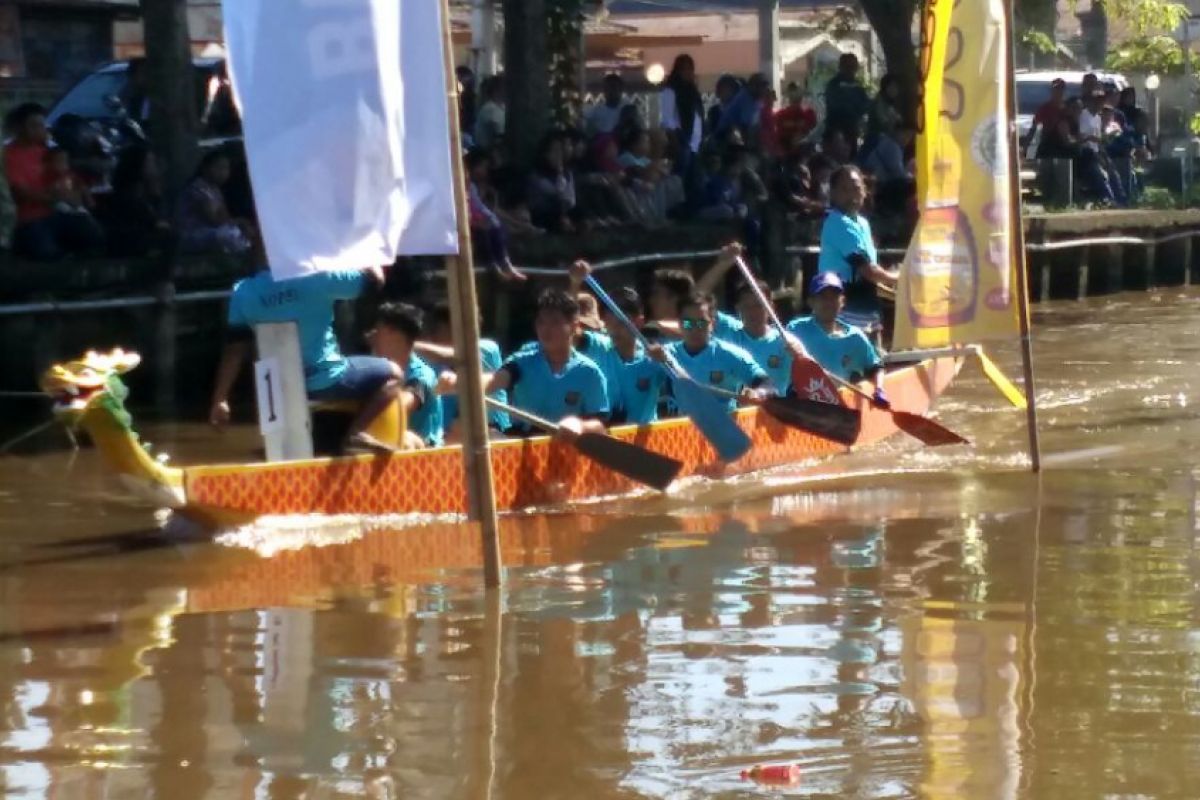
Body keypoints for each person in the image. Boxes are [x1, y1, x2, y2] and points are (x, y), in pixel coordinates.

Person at [208, 256, 402, 453]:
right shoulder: (318, 277)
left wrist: (220, 399)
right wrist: (359, 253)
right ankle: (356, 433)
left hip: (275, 388)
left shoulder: (243, 292)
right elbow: (374, 281)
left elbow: (234, 350)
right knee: (394, 374)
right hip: (323, 380)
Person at [486, 289, 610, 437]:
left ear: (574, 326)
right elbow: (495, 380)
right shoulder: (521, 362)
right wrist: (459, 384)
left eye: (555, 322)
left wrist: (580, 425)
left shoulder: (589, 372)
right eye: (541, 322)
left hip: (566, 450)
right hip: (525, 447)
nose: (546, 329)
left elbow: (600, 425)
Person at [567, 262, 667, 425]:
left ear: (639, 322)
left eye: (621, 322)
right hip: (606, 441)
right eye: (609, 319)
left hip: (643, 442)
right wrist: (575, 283)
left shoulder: (654, 357)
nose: (614, 328)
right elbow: (567, 328)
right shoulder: (598, 346)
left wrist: (667, 361)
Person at [5, 103, 104, 260]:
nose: (40, 130)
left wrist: (74, 195)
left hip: (56, 213)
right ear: (20, 128)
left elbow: (67, 177)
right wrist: (56, 197)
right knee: (45, 252)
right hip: (30, 219)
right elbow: (20, 192)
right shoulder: (10, 155)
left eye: (41, 125)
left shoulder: (47, 151)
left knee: (92, 236)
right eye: (34, 126)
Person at [649, 291, 773, 413]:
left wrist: (757, 393)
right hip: (683, 429)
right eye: (688, 323)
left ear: (712, 323)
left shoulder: (729, 354)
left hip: (723, 427)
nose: (694, 329)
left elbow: (767, 383)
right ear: (680, 324)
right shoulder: (665, 354)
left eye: (701, 323)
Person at [818, 165, 898, 333]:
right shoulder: (837, 222)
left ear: (864, 191)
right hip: (842, 313)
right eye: (844, 189)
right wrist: (899, 278)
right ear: (832, 193)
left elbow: (869, 279)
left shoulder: (862, 223)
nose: (851, 195)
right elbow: (868, 270)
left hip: (867, 311)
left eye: (856, 188)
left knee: (873, 357)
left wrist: (895, 294)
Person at [414, 302, 511, 439]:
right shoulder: (433, 367)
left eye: (437, 329)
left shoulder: (488, 349)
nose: (432, 336)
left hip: (493, 435)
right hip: (449, 440)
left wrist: (408, 345)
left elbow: (460, 355)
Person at [367, 302, 445, 449]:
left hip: (423, 456)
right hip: (388, 447)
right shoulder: (382, 371)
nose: (372, 337)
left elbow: (401, 405)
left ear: (395, 335)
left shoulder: (422, 375)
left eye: (378, 331)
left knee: (404, 439)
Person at [786, 272, 882, 390]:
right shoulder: (796, 329)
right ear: (811, 302)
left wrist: (879, 389)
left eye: (834, 297)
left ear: (842, 302)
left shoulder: (855, 337)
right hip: (804, 402)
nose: (829, 303)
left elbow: (876, 367)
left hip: (840, 403)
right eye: (823, 297)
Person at [176, 149, 252, 255]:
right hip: (194, 234)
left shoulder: (215, 189)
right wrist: (239, 222)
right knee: (228, 234)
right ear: (205, 168)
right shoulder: (197, 188)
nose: (224, 173)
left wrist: (239, 223)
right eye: (219, 168)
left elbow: (225, 216)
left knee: (241, 230)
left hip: (213, 230)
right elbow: (213, 220)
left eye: (226, 168)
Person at [466, 148, 526, 281]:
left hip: (477, 218)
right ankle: (493, 266)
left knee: (496, 228)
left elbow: (480, 207)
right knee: (483, 232)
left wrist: (490, 218)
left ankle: (506, 263)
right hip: (465, 222)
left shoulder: (473, 187)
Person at [102, 145, 173, 257]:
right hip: (127, 243)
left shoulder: (147, 191)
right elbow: (147, 219)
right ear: (138, 164)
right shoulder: (126, 193)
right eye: (149, 161)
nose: (153, 166)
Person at [660, 54, 704, 174]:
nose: (687, 72)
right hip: (681, 141)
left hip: (695, 144)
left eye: (690, 69)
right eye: (684, 69)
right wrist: (677, 143)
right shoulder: (670, 91)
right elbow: (668, 120)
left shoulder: (693, 92)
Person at [527, 133, 580, 233]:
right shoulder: (537, 174)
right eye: (554, 151)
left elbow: (571, 199)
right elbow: (556, 192)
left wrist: (561, 173)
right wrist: (560, 172)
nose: (558, 156)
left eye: (560, 151)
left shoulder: (567, 172)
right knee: (556, 208)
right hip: (542, 212)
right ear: (545, 154)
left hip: (563, 208)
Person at [1078, 89, 1120, 205]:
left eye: (1102, 102)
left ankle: (1121, 201)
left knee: (1113, 173)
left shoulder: (1097, 118)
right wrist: (1091, 138)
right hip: (1086, 153)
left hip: (1096, 152)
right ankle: (1109, 201)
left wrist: (1105, 141)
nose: (1100, 104)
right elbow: (1082, 137)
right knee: (1101, 176)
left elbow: (1099, 139)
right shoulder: (1084, 115)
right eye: (1098, 101)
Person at [824, 53, 871, 148]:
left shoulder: (857, 84)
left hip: (852, 130)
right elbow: (835, 105)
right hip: (836, 131)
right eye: (849, 66)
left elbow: (866, 103)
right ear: (841, 66)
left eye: (854, 66)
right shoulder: (834, 84)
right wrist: (854, 108)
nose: (852, 69)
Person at [774, 82, 817, 154]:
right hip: (785, 153)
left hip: (804, 153)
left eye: (797, 91)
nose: (795, 94)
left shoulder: (809, 113)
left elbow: (812, 131)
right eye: (792, 91)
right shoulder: (780, 115)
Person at [1029, 78, 1067, 158]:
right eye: (1056, 89)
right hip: (1047, 148)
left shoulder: (1069, 108)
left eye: (1061, 89)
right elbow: (1037, 131)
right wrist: (1030, 154)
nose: (1058, 92)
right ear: (1051, 91)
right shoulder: (1044, 109)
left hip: (1066, 149)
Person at [586, 73, 626, 139]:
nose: (610, 91)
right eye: (607, 88)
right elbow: (590, 137)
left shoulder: (628, 110)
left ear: (621, 90)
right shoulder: (595, 112)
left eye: (613, 88)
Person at [474, 74, 506, 151]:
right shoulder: (491, 110)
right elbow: (501, 135)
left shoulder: (500, 107)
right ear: (498, 90)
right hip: (488, 155)